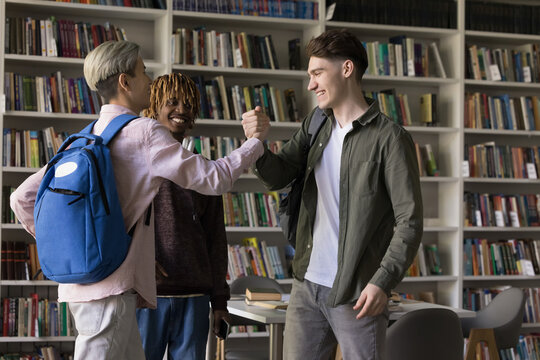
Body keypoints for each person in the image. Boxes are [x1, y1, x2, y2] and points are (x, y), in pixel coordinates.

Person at [10, 40, 269, 359]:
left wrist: (72, 245)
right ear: (125, 81)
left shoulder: (86, 136)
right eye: (143, 72)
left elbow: (22, 198)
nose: (149, 80)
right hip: (110, 291)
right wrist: (255, 142)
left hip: (94, 289)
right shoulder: (144, 132)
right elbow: (215, 178)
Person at [245, 29, 423, 359]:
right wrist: (256, 145)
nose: (311, 84)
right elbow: (280, 174)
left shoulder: (390, 139)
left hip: (357, 292)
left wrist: (382, 282)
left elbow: (409, 222)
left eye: (317, 73)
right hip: (305, 284)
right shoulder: (316, 124)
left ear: (346, 69)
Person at [135, 73, 231, 360]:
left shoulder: (205, 171)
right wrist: (137, 258)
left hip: (195, 298)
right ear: (154, 106)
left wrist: (220, 303)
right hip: (147, 297)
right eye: (172, 102)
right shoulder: (136, 161)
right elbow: (118, 222)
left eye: (188, 104)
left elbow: (216, 239)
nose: (181, 110)